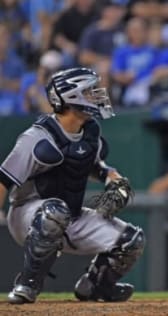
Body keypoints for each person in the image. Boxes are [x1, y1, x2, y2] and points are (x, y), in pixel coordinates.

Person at [0, 67, 145, 304]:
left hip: (70, 214)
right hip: (27, 214)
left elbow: (92, 166)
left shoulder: (90, 132)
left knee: (131, 240)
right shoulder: (36, 138)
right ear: (70, 97)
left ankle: (96, 287)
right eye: (89, 91)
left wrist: (112, 177)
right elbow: (4, 179)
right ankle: (27, 283)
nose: (96, 96)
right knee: (54, 213)